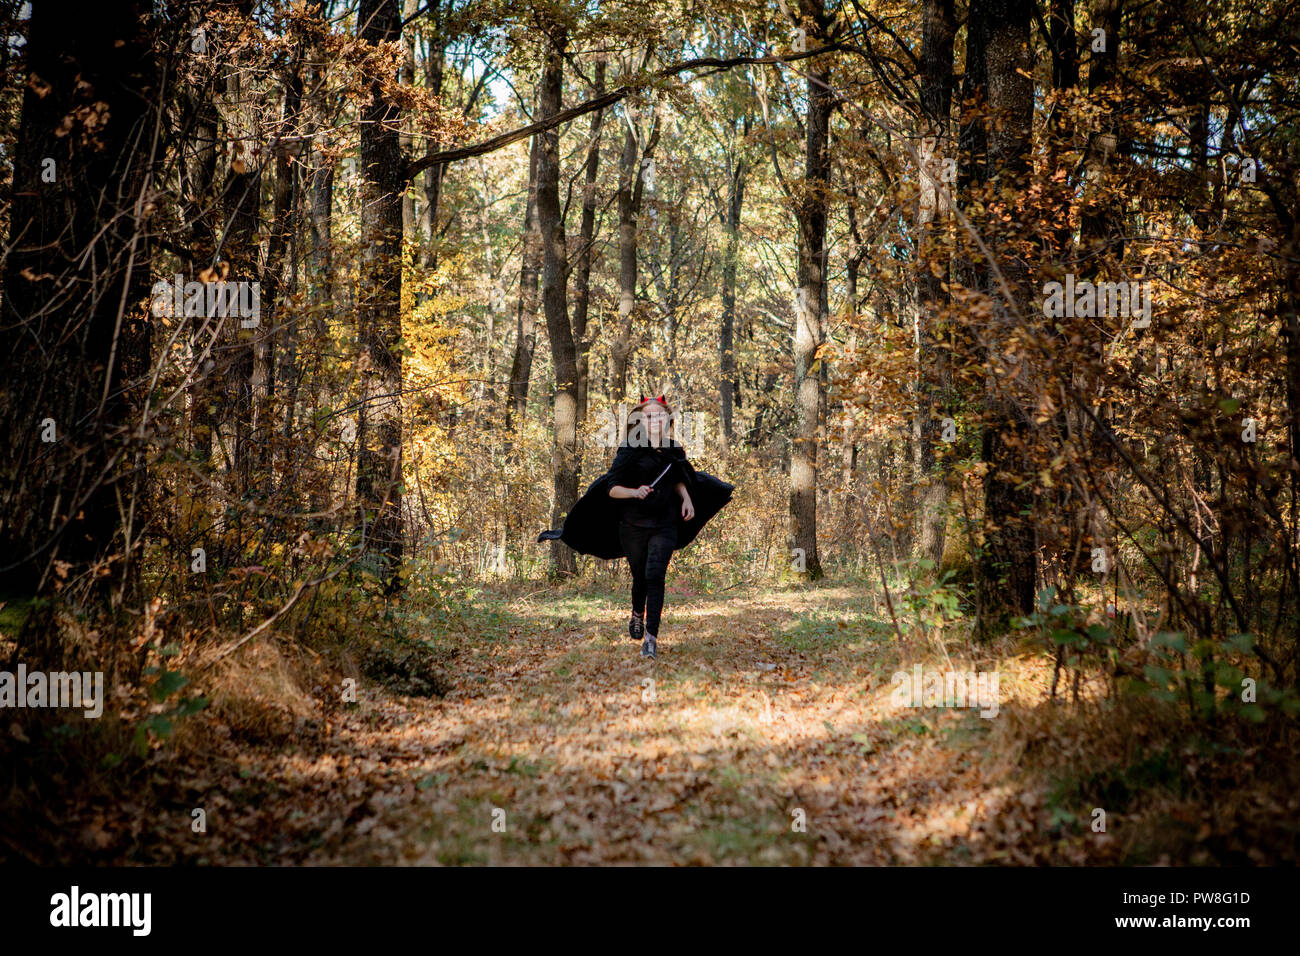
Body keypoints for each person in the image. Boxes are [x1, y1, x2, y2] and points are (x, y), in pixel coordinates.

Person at [537, 395, 733, 659]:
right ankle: (636, 613)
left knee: (655, 575)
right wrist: (634, 492)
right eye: (649, 416)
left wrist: (686, 499)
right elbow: (612, 489)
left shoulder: (673, 450)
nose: (654, 420)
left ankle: (651, 639)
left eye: (659, 415)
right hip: (633, 525)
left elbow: (678, 478)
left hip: (665, 523)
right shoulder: (628, 450)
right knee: (640, 576)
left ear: (667, 419)